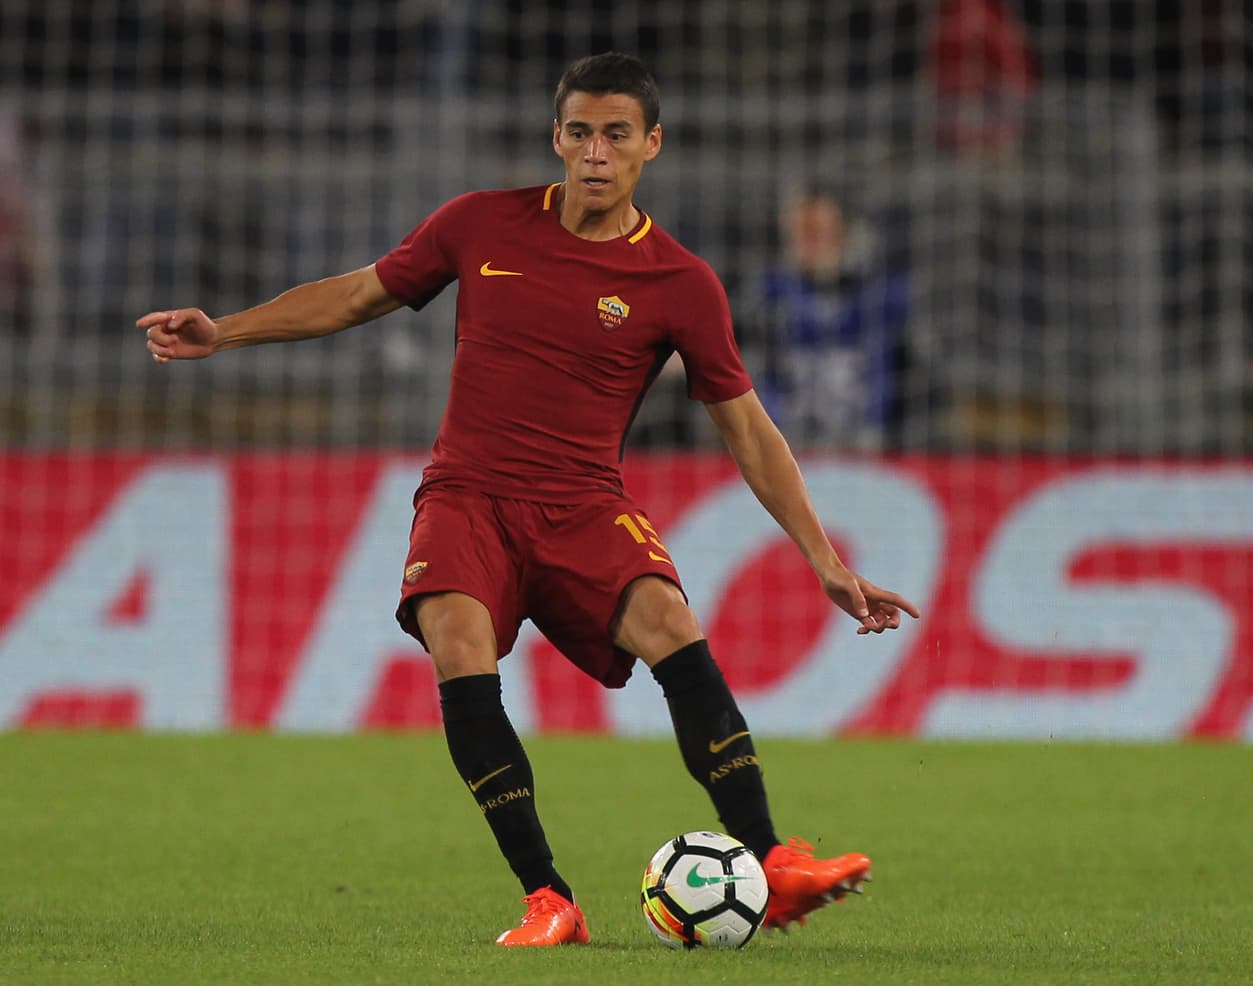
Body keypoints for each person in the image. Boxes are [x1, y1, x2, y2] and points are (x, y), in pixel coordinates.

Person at [138, 52, 920, 947]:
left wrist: (824, 559)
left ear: (651, 146)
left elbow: (749, 429)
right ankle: (549, 898)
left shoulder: (680, 282)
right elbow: (357, 296)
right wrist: (223, 331)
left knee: (668, 619)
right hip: (468, 494)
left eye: (616, 135)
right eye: (579, 132)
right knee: (458, 642)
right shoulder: (479, 225)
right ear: (556, 137)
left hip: (584, 501)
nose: (595, 152)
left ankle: (772, 862)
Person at [750, 187, 911, 450]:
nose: (809, 245)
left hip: (870, 445)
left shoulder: (880, 294)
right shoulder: (768, 296)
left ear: (844, 233)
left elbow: (898, 370)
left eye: (819, 234)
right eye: (801, 234)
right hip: (787, 445)